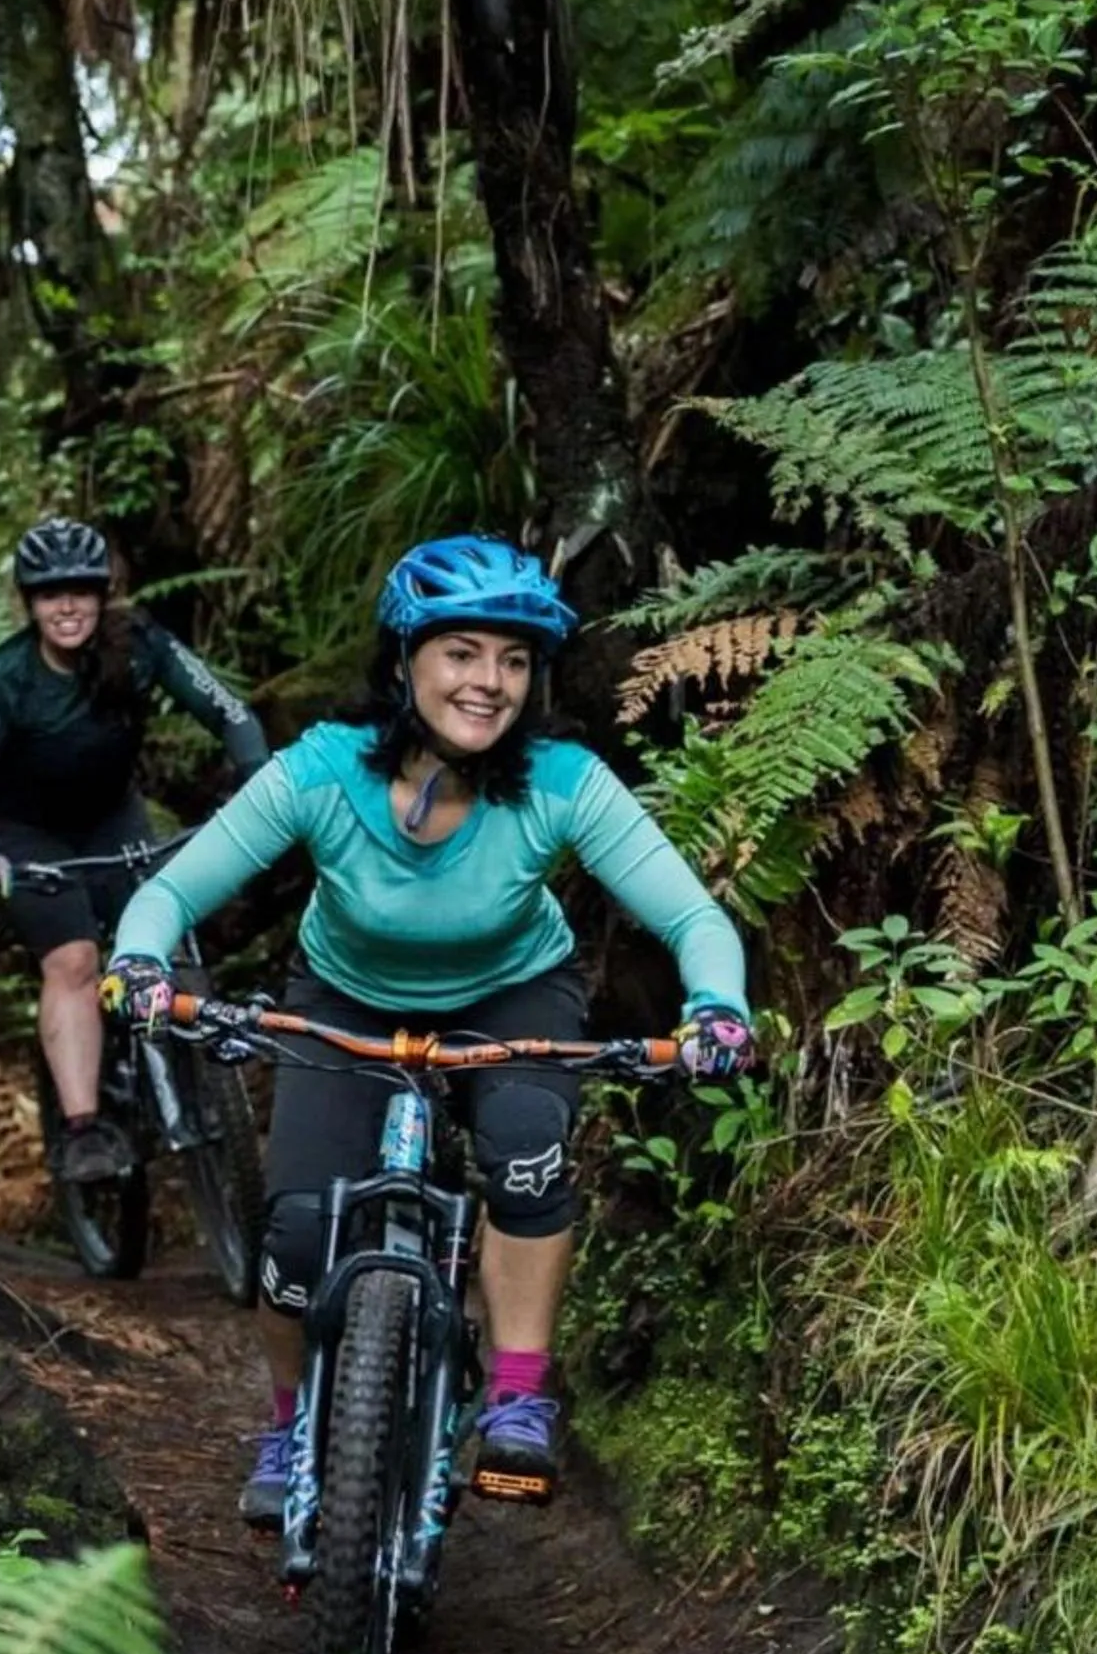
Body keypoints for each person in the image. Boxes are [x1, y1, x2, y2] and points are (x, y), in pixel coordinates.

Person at [101, 534, 754, 1521]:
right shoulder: (322, 771)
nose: (491, 682)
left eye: (516, 659)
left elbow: (693, 917)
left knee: (528, 1153)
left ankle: (520, 1394)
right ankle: (287, 1425)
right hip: (345, 996)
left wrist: (715, 1006)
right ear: (405, 658)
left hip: (513, 994)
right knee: (295, 1234)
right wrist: (139, 964)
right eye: (463, 652)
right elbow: (171, 892)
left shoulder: (562, 780)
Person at [0, 517, 271, 1185]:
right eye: (48, 593)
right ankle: (86, 1130)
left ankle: (205, 1080)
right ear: (28, 602)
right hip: (27, 838)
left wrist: (257, 771)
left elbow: (227, 711)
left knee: (165, 932)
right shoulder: (5, 680)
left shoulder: (140, 645)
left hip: (113, 820)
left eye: (81, 591)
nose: (67, 606)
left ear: (103, 593)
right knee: (74, 960)